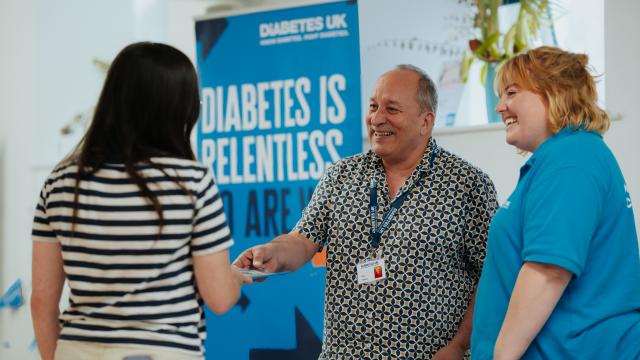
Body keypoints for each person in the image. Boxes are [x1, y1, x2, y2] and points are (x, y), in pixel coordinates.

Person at [235, 65, 498, 359]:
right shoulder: (341, 175)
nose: (376, 118)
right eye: (373, 106)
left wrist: (460, 345)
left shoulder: (466, 185)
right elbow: (301, 239)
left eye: (392, 109)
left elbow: (494, 275)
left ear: (426, 121)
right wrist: (271, 253)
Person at [30, 42, 251, 360]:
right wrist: (233, 277)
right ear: (180, 107)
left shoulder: (61, 181)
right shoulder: (191, 181)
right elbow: (218, 297)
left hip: (76, 350)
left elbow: (41, 301)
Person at [471, 46, 640, 359]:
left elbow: (549, 271)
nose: (500, 107)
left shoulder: (571, 158)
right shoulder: (564, 157)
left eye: (511, 92)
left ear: (555, 91)